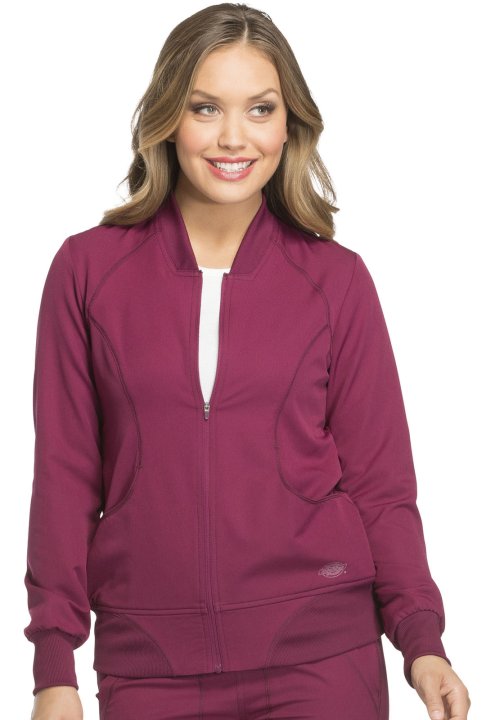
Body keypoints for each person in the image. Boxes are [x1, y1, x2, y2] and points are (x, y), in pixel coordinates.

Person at [24, 3, 471, 719]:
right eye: (205, 108)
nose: (233, 137)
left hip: (320, 658)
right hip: (149, 662)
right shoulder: (88, 271)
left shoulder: (335, 281)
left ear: (288, 125)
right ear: (167, 118)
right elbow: (65, 476)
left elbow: (381, 484)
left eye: (260, 109)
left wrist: (421, 641)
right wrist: (55, 667)